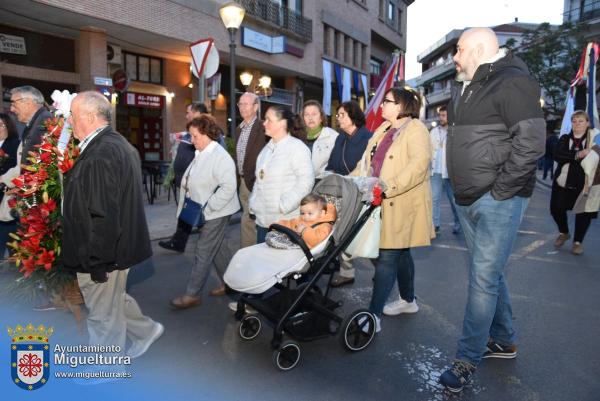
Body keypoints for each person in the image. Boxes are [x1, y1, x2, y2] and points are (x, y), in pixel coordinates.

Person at [439, 28, 545, 393]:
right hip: (467, 198)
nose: (454, 55)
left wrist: (501, 192)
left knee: (483, 278)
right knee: (490, 273)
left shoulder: (512, 82)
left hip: (497, 199)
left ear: (481, 49)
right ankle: (504, 339)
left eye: (460, 48)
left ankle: (466, 359)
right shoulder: (467, 84)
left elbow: (531, 143)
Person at [63, 91, 163, 358]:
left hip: (103, 255)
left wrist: (98, 264)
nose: (69, 121)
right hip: (116, 251)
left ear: (89, 116)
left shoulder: (100, 154)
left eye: (72, 115)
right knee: (112, 301)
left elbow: (104, 217)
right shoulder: (117, 144)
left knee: (102, 315)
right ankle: (146, 331)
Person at [351, 87, 433, 332]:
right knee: (401, 253)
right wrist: (349, 180)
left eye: (387, 101)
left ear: (401, 105)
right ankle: (408, 301)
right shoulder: (383, 129)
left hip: (401, 202)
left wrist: (388, 187)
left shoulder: (416, 129)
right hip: (379, 201)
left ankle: (373, 316)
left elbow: (418, 165)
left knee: (387, 256)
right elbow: (366, 163)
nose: (382, 105)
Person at [169, 115, 240, 309]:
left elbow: (229, 187)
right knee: (218, 249)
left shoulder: (220, 156)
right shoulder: (202, 151)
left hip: (216, 211)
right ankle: (230, 283)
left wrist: (207, 209)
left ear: (207, 134)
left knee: (203, 249)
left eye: (194, 136)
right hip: (203, 210)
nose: (192, 140)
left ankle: (193, 294)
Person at [249, 105, 314, 243]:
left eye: (268, 120)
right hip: (263, 221)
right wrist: (254, 203)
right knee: (262, 261)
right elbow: (259, 180)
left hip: (285, 222)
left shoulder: (297, 148)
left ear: (282, 123)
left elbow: (306, 182)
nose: (264, 123)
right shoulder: (266, 150)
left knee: (279, 263)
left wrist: (283, 206)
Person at [326, 100, 372, 287]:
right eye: (338, 115)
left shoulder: (368, 138)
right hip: (341, 192)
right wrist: (327, 175)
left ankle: (381, 268)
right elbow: (333, 162)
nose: (338, 118)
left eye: (342, 115)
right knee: (342, 234)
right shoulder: (340, 138)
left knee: (363, 236)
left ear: (353, 116)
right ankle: (346, 272)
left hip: (361, 193)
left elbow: (370, 168)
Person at [159, 102, 209, 253]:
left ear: (197, 113)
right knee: (186, 214)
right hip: (185, 182)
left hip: (195, 184)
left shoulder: (207, 131)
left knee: (199, 218)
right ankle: (178, 242)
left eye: (189, 112)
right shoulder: (191, 130)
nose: (186, 115)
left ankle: (206, 246)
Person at [550, 110, 598, 255]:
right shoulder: (565, 138)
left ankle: (578, 242)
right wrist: (578, 154)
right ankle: (564, 232)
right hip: (563, 183)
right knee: (556, 209)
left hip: (585, 185)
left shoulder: (594, 140)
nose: (577, 124)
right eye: (574, 121)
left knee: (583, 214)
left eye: (581, 121)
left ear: (588, 123)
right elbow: (558, 155)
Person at [235, 92, 268, 249]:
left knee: (250, 219)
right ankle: (250, 252)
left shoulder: (263, 128)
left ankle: (248, 253)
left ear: (256, 107)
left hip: (257, 181)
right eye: (240, 104)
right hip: (242, 181)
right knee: (248, 219)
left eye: (246, 104)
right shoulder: (238, 129)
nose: (242, 107)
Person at [429, 105, 460, 235]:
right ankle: (435, 225)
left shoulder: (455, 132)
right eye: (440, 115)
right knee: (434, 199)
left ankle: (458, 223)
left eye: (443, 115)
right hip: (435, 171)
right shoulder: (434, 131)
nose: (440, 118)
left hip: (449, 172)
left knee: (454, 201)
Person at [9, 86, 52, 165]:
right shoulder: (35, 122)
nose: (11, 109)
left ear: (28, 102)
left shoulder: (45, 120)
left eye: (14, 103)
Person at [0, 113, 20, 258]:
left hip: (6, 197)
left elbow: (18, 170)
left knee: (8, 239)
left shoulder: (16, 144)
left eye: (1, 125)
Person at [301, 100, 338, 178]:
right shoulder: (298, 138)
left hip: (324, 184)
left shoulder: (333, 136)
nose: (310, 118)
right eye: (306, 115)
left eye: (314, 114)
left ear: (321, 117)